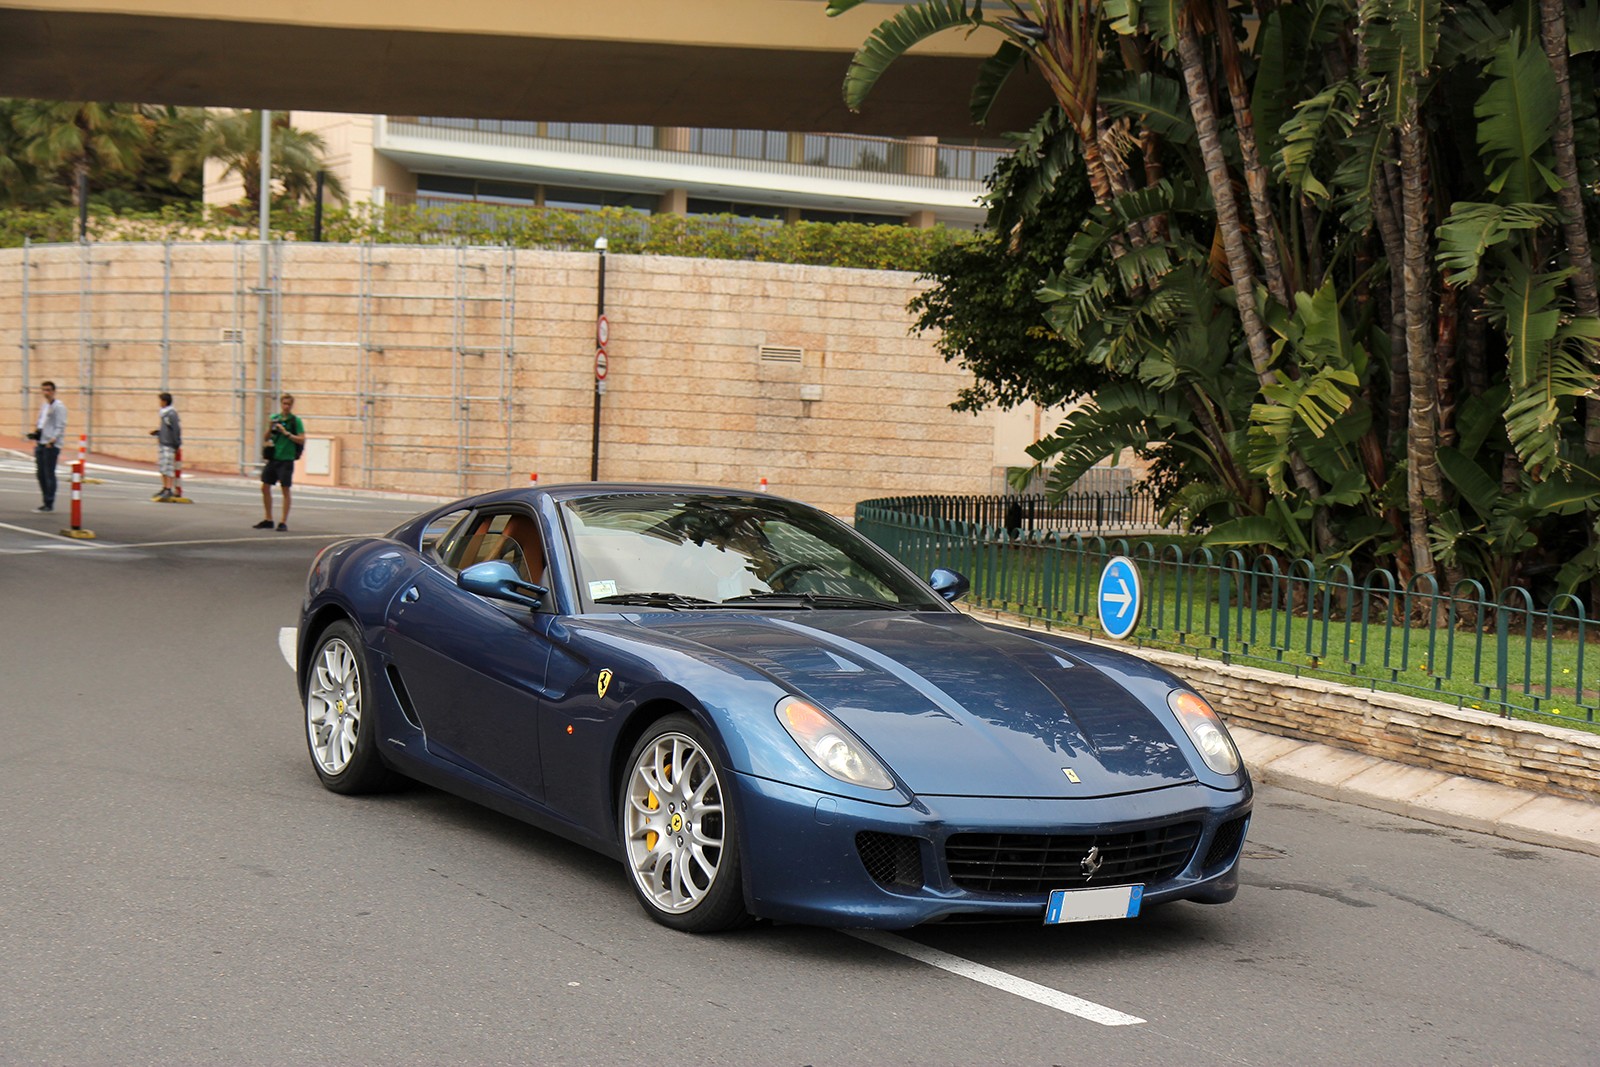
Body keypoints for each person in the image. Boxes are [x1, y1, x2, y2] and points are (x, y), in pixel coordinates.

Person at [256, 393, 305, 531]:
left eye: (289, 404)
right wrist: (270, 427)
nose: (286, 407)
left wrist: (286, 433)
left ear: (291, 406)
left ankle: (283, 521)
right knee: (265, 487)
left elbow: (301, 439)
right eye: (284, 404)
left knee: (285, 489)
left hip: (287, 459)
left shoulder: (295, 421)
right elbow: (266, 437)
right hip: (273, 457)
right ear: (281, 404)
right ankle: (268, 518)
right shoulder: (275, 418)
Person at [28, 380, 67, 512]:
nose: (46, 393)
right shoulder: (44, 406)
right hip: (41, 442)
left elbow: (60, 425)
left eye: (49, 390)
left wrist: (53, 440)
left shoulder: (59, 407)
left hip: (51, 444)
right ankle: (45, 500)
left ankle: (49, 502)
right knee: (40, 474)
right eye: (44, 390)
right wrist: (36, 434)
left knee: (49, 473)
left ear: (54, 391)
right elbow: (41, 422)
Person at [149, 392, 182, 500]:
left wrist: (176, 443)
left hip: (169, 444)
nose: (159, 403)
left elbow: (176, 430)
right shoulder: (164, 414)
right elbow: (167, 429)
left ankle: (168, 488)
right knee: (163, 467)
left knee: (168, 467)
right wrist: (158, 432)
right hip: (163, 443)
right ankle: (164, 487)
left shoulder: (171, 414)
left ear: (165, 401)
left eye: (160, 401)